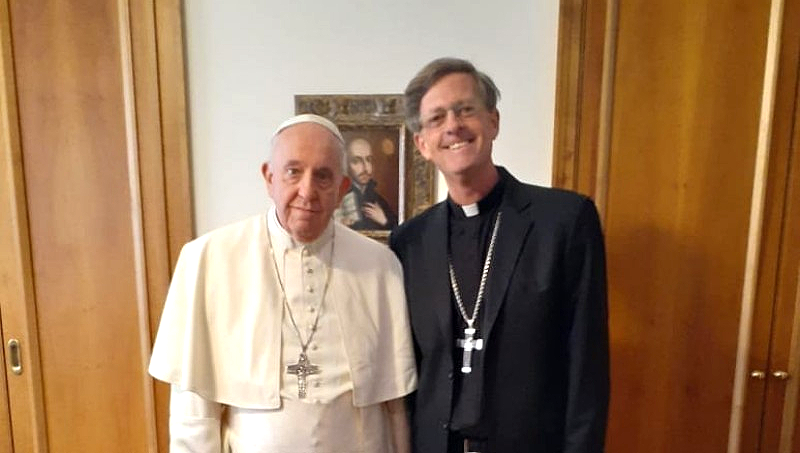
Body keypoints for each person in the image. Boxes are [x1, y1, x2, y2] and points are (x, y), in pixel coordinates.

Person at [149, 114, 417, 452]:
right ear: (269, 177)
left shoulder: (379, 266)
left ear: (342, 189)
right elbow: (194, 409)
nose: (307, 191)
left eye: (323, 176)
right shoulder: (208, 259)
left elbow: (394, 407)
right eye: (293, 171)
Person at [389, 58, 609, 453]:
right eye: (436, 118)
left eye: (465, 109)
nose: (453, 125)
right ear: (422, 144)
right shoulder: (409, 243)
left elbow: (587, 366)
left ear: (493, 121)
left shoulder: (563, 221)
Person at [341, 137, 398, 230]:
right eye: (356, 161)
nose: (365, 168)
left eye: (368, 160)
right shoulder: (340, 199)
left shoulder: (379, 201)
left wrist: (385, 221)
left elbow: (400, 233)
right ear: (346, 164)